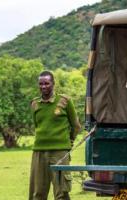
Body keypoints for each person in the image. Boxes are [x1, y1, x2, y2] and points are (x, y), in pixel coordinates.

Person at [28, 71, 81, 200]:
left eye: (46, 83)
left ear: (53, 84)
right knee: (37, 193)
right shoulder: (35, 104)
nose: (43, 86)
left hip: (60, 152)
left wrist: (69, 142)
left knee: (61, 193)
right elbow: (37, 125)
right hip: (39, 152)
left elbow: (76, 126)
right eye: (41, 84)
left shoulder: (65, 101)